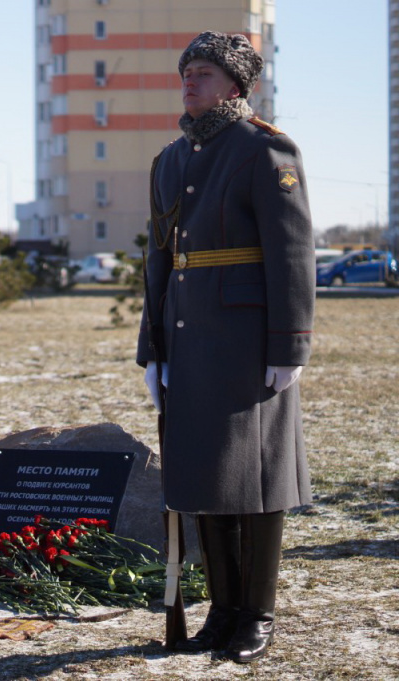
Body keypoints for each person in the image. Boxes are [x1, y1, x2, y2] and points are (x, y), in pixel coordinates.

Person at [137, 32, 314, 664]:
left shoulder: (265, 150)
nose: (190, 81)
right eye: (186, 71)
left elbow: (292, 252)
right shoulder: (170, 160)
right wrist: (152, 349)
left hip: (247, 338)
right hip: (187, 338)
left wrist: (290, 343)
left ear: (236, 86)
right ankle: (221, 613)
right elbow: (160, 260)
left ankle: (256, 616)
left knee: (258, 480)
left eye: (204, 72)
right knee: (206, 476)